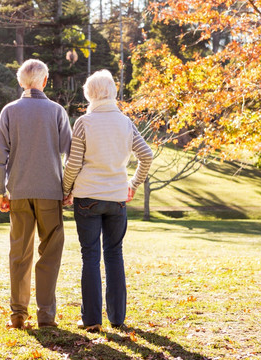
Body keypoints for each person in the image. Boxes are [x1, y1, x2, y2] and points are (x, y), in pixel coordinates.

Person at [62, 69, 153, 332]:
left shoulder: (84, 123)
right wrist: (132, 185)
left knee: (90, 256)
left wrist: (66, 190)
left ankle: (91, 320)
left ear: (89, 94)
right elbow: (146, 156)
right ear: (112, 92)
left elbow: (73, 165)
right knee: (114, 255)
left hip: (87, 197)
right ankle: (117, 318)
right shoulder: (125, 122)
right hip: (116, 198)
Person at [0, 59, 72, 329]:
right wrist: (69, 188)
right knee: (50, 252)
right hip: (51, 193)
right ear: (45, 81)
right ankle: (46, 315)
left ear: (20, 82)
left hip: (19, 193)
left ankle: (18, 314)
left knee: (20, 253)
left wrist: (0, 191)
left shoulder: (9, 111)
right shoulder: (57, 111)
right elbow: (71, 154)